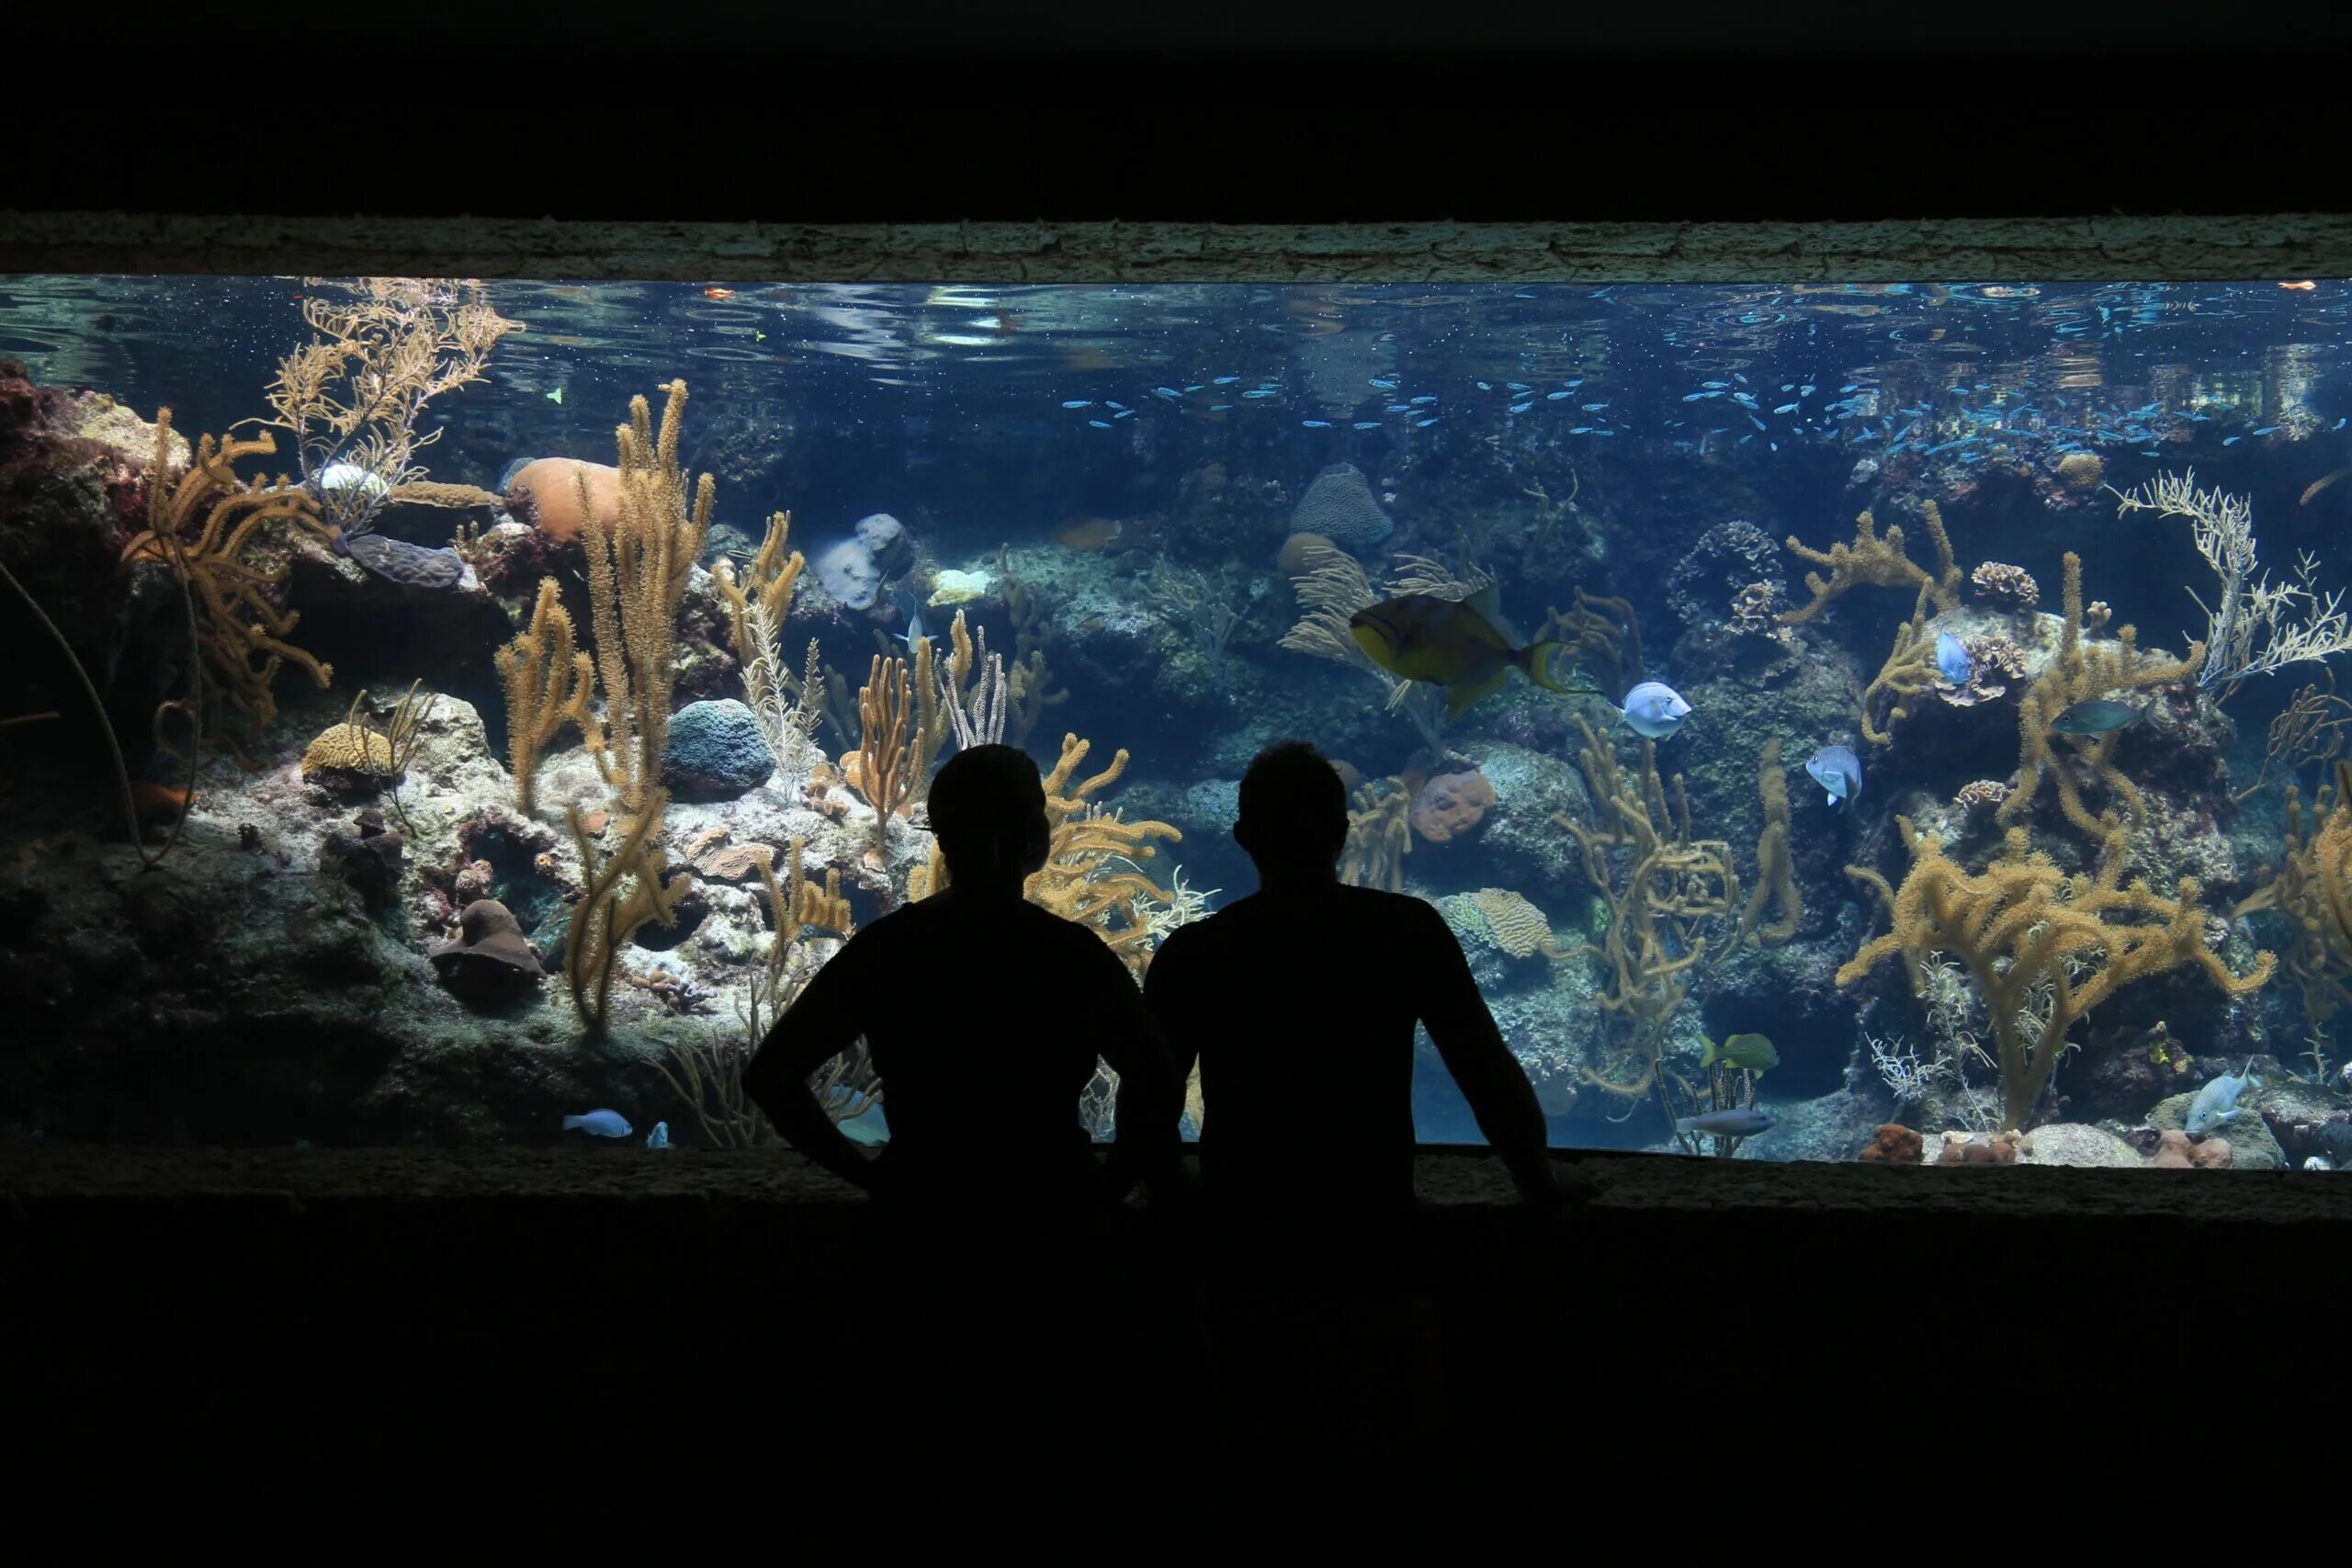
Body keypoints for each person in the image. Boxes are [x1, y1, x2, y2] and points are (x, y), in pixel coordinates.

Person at [1144, 739, 1560, 1508]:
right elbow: (1483, 1068)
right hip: (1372, 1238)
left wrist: (1176, 1198)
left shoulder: (1199, 950)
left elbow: (1148, 1109)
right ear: (1342, 829)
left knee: (1243, 1465)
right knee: (1389, 1469)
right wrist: (1539, 1182)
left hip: (1243, 1247)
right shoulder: (1404, 931)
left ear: (1245, 838)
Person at [742, 742, 1183, 1449]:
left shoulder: (892, 949)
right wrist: (1110, 1186)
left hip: (923, 1220)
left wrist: (868, 1173)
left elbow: (770, 1075)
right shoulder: (1068, 954)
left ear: (944, 839)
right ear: (1027, 836)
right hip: (1053, 1223)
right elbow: (1158, 1077)